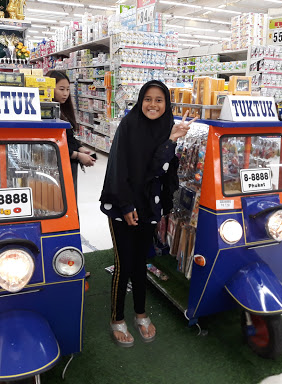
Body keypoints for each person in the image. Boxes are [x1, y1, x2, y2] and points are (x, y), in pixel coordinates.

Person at [100, 80, 197, 347]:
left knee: (141, 263)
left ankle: (140, 313)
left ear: (167, 104)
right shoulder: (129, 125)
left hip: (149, 206)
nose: (153, 105)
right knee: (124, 264)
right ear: (140, 100)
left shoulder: (167, 129)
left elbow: (158, 170)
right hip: (122, 205)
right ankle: (117, 318)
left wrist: (172, 139)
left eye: (159, 100)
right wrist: (127, 206)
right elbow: (119, 169)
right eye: (148, 99)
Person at [46, 70, 96, 196]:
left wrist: (79, 147)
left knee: (70, 197)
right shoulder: (47, 112)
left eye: (68, 89)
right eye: (61, 89)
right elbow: (51, 145)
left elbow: (68, 137)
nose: (65, 94)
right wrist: (78, 155)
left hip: (68, 164)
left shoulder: (63, 109)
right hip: (55, 167)